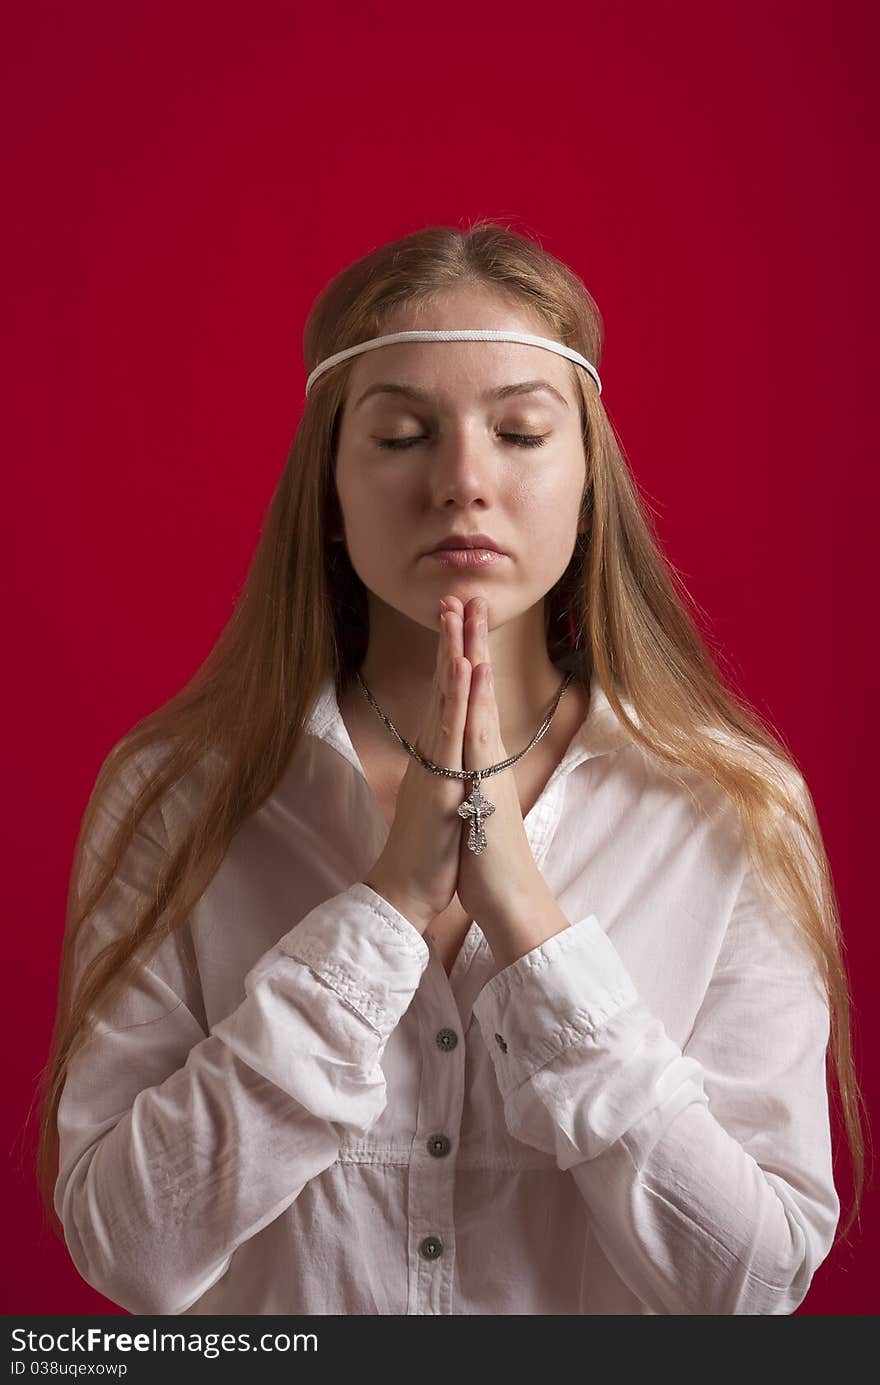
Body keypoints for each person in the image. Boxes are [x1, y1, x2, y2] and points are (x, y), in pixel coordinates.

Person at [36, 221, 864, 1316]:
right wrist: (382, 911)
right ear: (328, 487)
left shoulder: (731, 805)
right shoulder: (170, 792)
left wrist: (528, 922)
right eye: (400, 435)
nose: (462, 480)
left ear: (586, 479)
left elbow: (755, 1280)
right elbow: (126, 1245)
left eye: (519, 432)